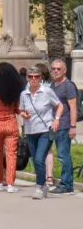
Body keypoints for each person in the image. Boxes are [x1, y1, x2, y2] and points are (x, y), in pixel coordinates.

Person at [19, 62, 63, 199]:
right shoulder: (24, 94)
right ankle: (43, 184)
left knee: (39, 159)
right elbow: (21, 109)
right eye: (31, 76)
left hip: (45, 129)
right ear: (27, 78)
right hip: (30, 130)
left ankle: (39, 187)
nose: (33, 79)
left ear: (40, 78)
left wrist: (56, 119)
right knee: (36, 158)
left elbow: (60, 105)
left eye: (36, 77)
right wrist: (23, 114)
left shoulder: (47, 91)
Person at [0, 62, 23, 191]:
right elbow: (18, 108)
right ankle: (10, 184)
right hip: (11, 123)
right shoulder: (16, 89)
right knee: (11, 154)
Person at [49, 58, 78, 196]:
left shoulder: (68, 86)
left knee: (63, 155)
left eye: (58, 69)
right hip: (54, 125)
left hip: (65, 125)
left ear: (65, 70)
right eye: (53, 68)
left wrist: (73, 127)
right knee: (59, 154)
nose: (55, 71)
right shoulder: (52, 85)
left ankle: (67, 185)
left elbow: (73, 108)